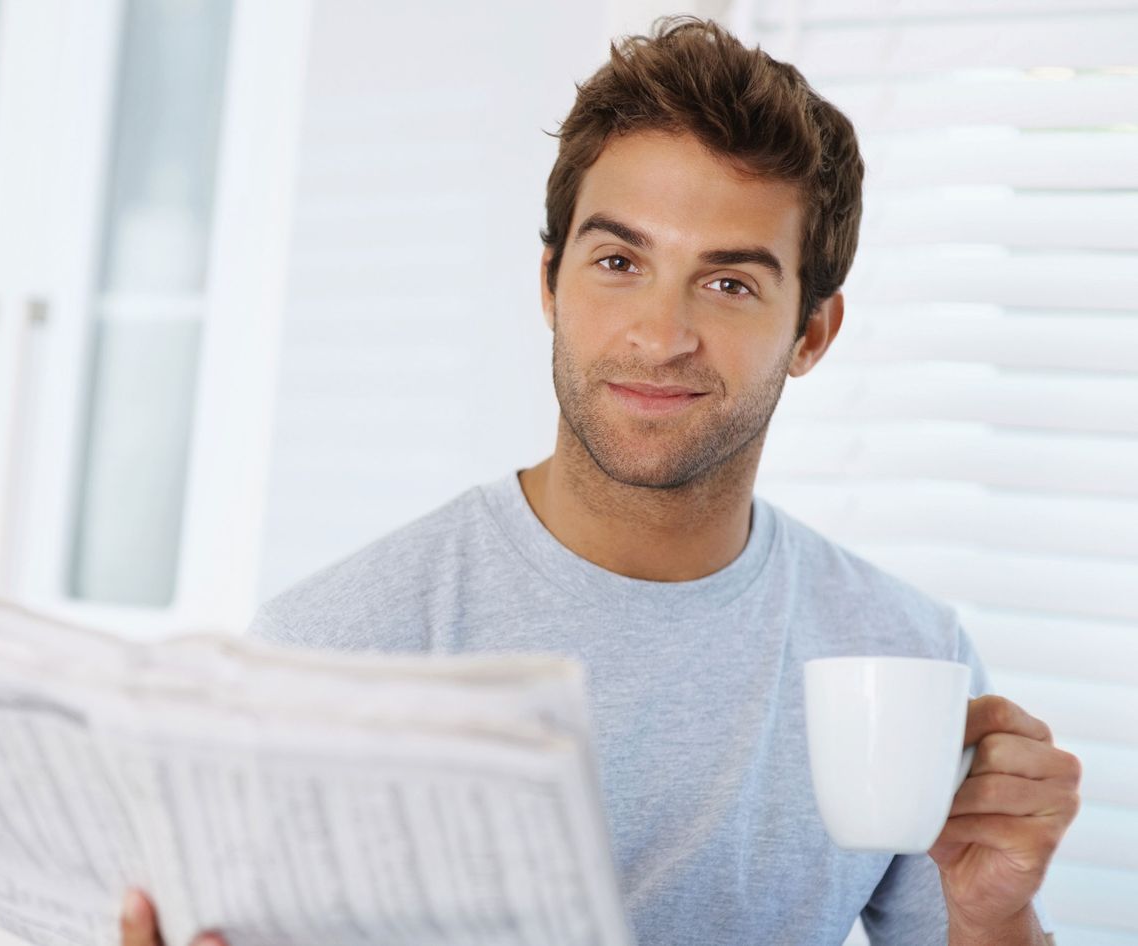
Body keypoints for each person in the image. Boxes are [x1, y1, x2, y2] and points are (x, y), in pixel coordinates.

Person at [121, 16, 1079, 946]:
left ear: (813, 334)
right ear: (550, 283)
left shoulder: (901, 657)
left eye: (730, 283)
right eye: (619, 261)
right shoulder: (331, 653)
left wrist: (996, 921)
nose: (659, 337)